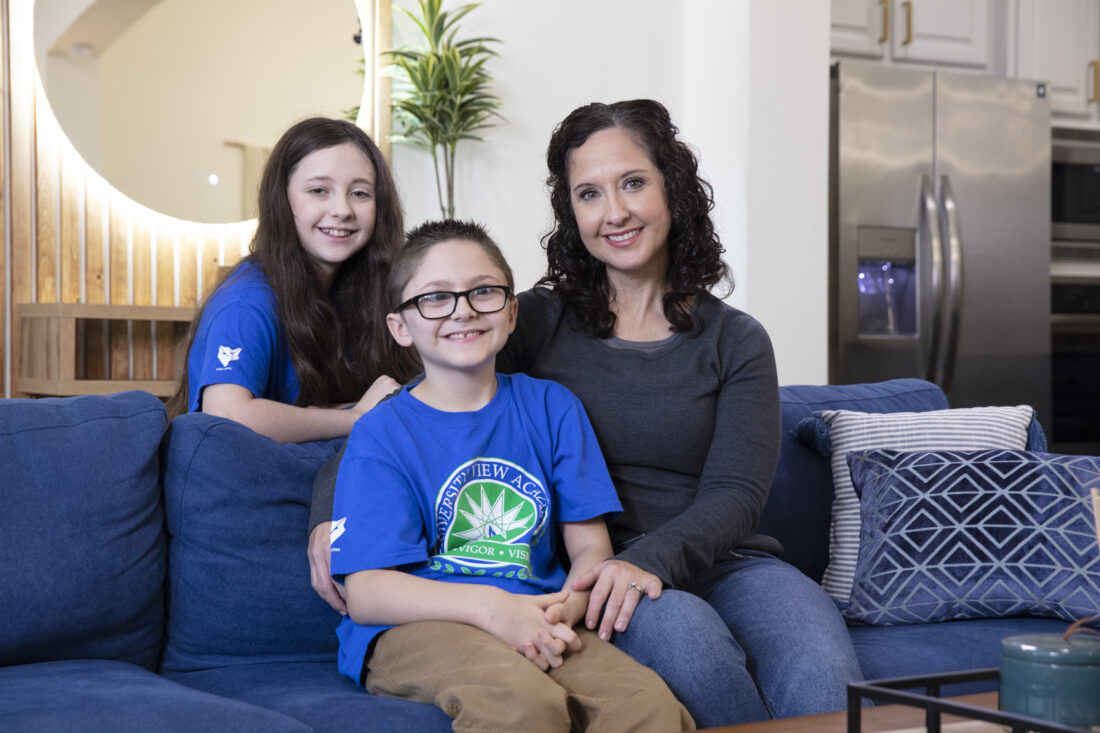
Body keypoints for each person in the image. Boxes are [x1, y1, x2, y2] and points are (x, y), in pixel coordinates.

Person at [309, 100, 862, 726]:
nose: (616, 212)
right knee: (692, 649)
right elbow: (417, 407)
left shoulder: (735, 339)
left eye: (633, 183)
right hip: (594, 575)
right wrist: (330, 518)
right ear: (572, 212)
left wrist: (642, 561)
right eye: (589, 194)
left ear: (672, 189)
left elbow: (736, 492)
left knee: (825, 676)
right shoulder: (532, 318)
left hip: (718, 561)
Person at [331, 219, 693, 732]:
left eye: (483, 292)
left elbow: (591, 550)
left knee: (647, 707)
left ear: (511, 310)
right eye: (435, 298)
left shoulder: (552, 407)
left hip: (538, 614)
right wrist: (491, 609)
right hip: (417, 625)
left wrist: (569, 606)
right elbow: (366, 593)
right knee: (520, 702)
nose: (463, 310)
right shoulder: (382, 433)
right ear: (400, 326)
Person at [167, 117, 419, 442]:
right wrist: (353, 418)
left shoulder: (359, 290)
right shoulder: (248, 301)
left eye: (359, 193)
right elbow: (227, 416)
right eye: (318, 191)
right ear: (281, 200)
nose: (342, 209)